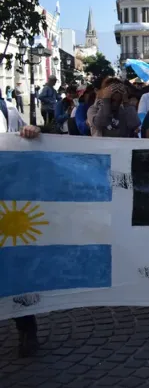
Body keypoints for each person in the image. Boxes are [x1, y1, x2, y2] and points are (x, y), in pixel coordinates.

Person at [0, 98, 43, 357]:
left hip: (6, 193)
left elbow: (23, 135)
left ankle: (26, 326)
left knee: (13, 262)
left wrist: (32, 132)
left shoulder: (8, 108)